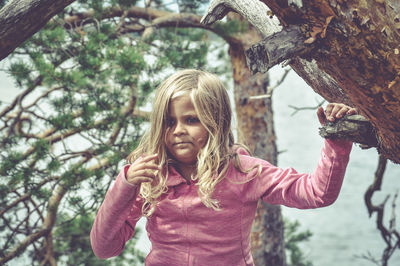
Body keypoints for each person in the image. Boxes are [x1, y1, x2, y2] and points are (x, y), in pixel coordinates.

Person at [90, 69, 357, 266]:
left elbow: (316, 193)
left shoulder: (243, 172)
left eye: (191, 119)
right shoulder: (150, 177)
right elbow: (104, 247)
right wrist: (125, 185)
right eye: (169, 122)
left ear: (216, 121)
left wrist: (337, 140)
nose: (178, 131)